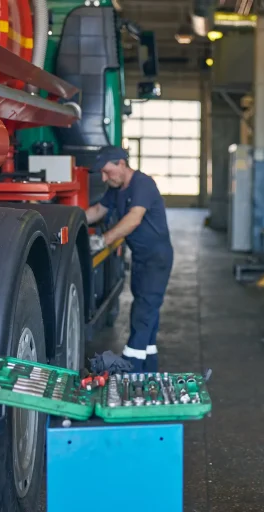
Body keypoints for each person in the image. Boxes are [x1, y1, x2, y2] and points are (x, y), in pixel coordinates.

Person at [85, 146, 173, 373]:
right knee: (145, 311)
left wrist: (102, 240)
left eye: (107, 172)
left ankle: (129, 369)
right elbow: (97, 210)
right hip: (142, 258)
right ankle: (148, 370)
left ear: (121, 165)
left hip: (157, 258)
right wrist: (68, 221)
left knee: (144, 311)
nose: (104, 178)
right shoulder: (116, 188)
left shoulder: (142, 184)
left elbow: (134, 219)